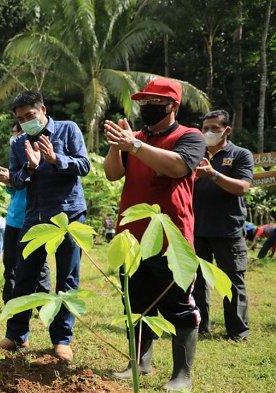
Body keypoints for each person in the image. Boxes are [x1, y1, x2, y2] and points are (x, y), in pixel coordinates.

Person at [103, 78, 206, 391]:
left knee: (178, 305)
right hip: (132, 237)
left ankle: (182, 374)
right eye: (143, 103)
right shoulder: (132, 138)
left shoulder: (190, 136)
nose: (147, 108)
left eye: (155, 103)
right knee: (136, 303)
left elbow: (178, 167)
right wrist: (115, 146)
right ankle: (140, 362)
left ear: (172, 105)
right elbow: (112, 174)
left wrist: (133, 145)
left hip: (171, 238)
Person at [0, 91, 90, 364]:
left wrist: (56, 159)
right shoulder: (19, 143)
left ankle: (62, 340)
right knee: (24, 276)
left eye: (30, 115)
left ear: (43, 110)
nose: (26, 121)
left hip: (68, 216)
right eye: (21, 118)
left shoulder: (68, 130)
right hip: (34, 218)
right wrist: (31, 168)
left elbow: (84, 165)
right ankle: (16, 335)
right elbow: (16, 179)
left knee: (67, 278)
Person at [192, 110, 253, 340]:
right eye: (205, 128)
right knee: (197, 280)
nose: (208, 132)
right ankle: (199, 326)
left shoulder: (240, 155)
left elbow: (243, 187)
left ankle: (238, 332)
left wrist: (213, 174)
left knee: (233, 280)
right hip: (198, 228)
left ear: (226, 130)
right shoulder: (196, 153)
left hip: (228, 229)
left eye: (214, 128)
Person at [0, 122, 29, 302]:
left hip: (31, 219)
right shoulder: (16, 158)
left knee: (35, 265)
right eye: (13, 132)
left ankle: (39, 304)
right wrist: (9, 182)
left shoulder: (37, 156)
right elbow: (14, 191)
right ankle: (10, 300)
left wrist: (15, 179)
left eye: (17, 132)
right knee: (10, 264)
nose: (14, 136)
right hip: (13, 218)